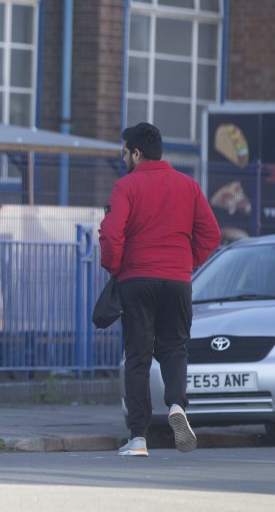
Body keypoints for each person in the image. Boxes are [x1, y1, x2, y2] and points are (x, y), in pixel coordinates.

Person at [99, 122, 221, 458]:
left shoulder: (126, 186)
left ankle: (138, 437)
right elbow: (211, 234)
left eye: (125, 152)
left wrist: (114, 266)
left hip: (137, 279)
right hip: (177, 279)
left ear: (136, 153)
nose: (123, 158)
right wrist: (186, 262)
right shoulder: (189, 185)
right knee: (174, 347)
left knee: (138, 355)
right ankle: (177, 406)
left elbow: (111, 234)